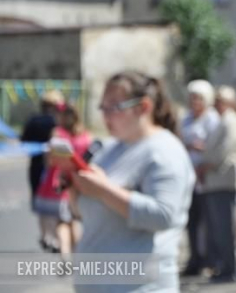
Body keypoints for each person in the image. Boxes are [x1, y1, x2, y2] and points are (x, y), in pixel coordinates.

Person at [72, 71, 194, 292]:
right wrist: (74, 187)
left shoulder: (165, 151)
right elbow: (85, 213)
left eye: (114, 107)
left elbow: (163, 216)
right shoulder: (111, 148)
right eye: (102, 107)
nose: (105, 116)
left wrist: (103, 190)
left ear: (143, 107)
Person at [199, 86, 236, 283]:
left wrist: (203, 167)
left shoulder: (231, 120)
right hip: (217, 179)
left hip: (223, 179)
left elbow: (223, 153)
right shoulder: (224, 120)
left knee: (224, 227)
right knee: (219, 227)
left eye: (220, 99)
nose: (216, 103)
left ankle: (229, 269)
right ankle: (224, 266)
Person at [34, 102, 92, 258]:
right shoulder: (86, 136)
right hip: (80, 183)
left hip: (59, 183)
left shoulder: (58, 134)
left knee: (62, 222)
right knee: (75, 221)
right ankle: (80, 256)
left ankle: (66, 256)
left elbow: (50, 161)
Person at [179, 79, 220, 276]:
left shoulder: (212, 119)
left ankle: (209, 259)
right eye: (191, 98)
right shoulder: (186, 119)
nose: (194, 102)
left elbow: (214, 147)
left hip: (206, 176)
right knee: (192, 221)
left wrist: (198, 147)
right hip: (189, 178)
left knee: (208, 221)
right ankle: (194, 258)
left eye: (197, 98)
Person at [21, 89, 64, 251]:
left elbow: (24, 140)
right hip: (55, 167)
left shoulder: (33, 120)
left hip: (36, 165)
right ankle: (56, 236)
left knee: (39, 200)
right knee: (57, 201)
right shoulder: (58, 123)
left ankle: (46, 235)